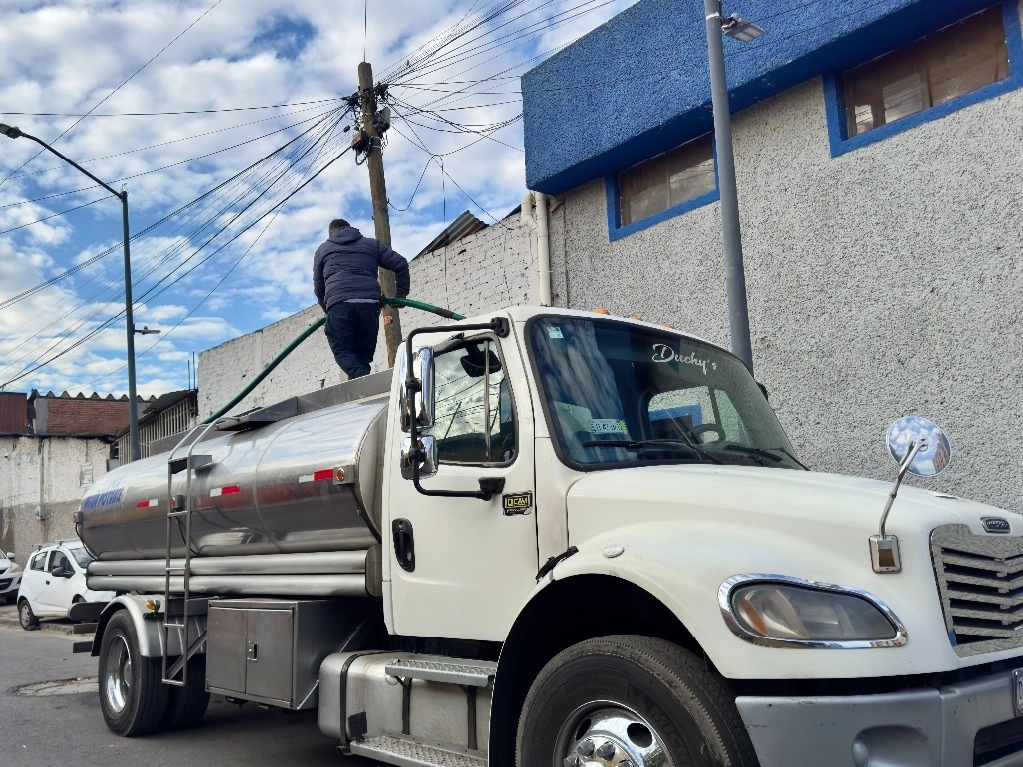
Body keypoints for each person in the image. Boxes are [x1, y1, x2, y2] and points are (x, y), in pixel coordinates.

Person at [313, 218, 410, 379]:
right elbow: (400, 263)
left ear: (331, 232)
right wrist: (401, 293)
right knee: (363, 357)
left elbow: (319, 288)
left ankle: (369, 381)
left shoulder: (323, 249)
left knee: (342, 349)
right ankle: (364, 388)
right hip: (370, 305)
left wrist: (328, 310)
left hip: (339, 305)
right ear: (350, 228)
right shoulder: (371, 244)